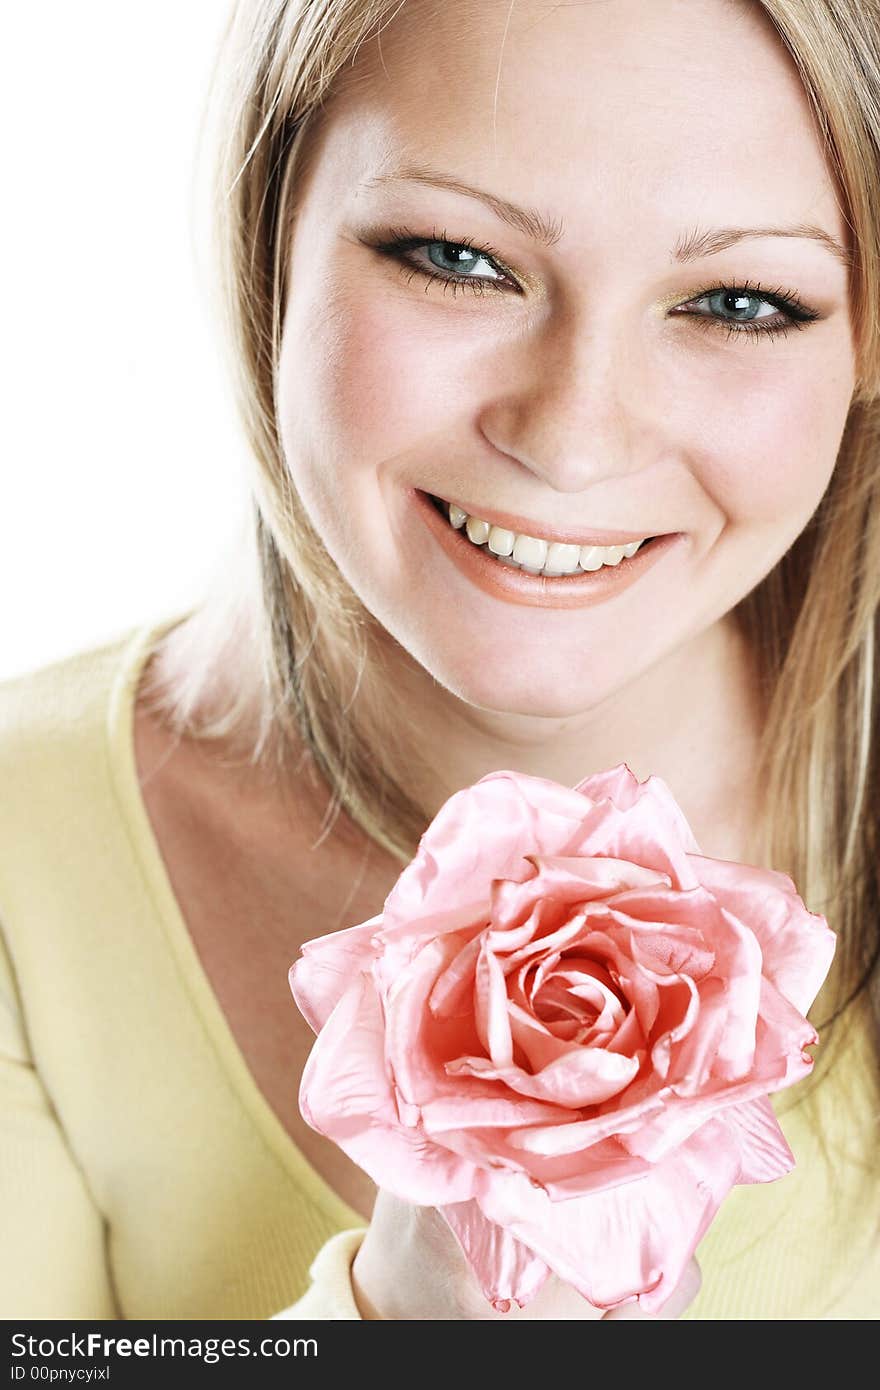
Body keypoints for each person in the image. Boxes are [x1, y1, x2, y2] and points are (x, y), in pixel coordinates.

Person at [2, 0, 878, 1321]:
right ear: (268, 233)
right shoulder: (27, 854)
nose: (576, 442)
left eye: (739, 301)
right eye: (458, 258)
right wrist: (395, 1322)